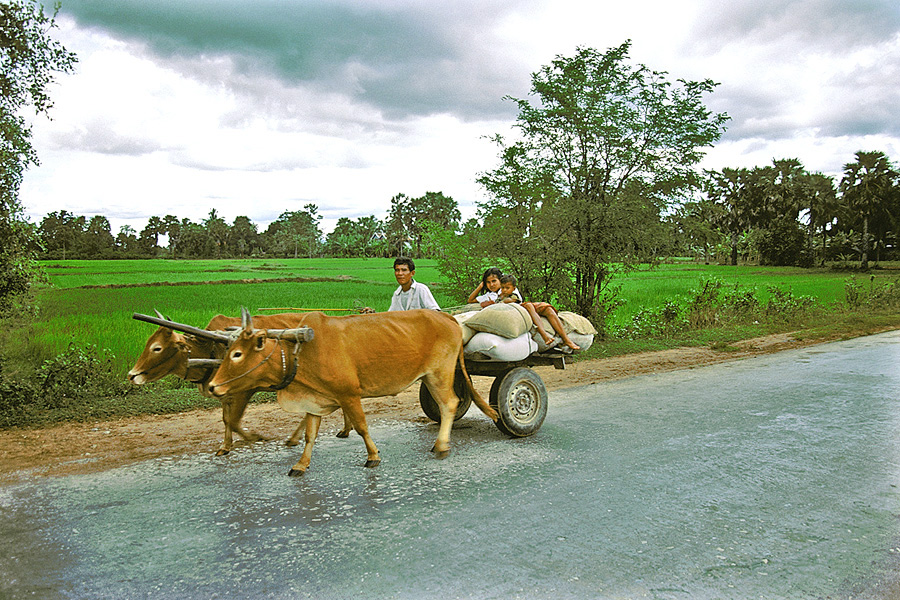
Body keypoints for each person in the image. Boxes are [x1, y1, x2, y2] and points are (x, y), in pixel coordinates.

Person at [498, 275, 581, 352]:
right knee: (529, 305)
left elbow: (512, 300)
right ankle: (544, 335)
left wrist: (503, 300)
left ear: (514, 288)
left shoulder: (513, 295)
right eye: (503, 288)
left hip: (521, 307)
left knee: (547, 308)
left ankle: (566, 339)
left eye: (507, 288)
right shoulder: (498, 295)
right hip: (519, 311)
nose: (504, 290)